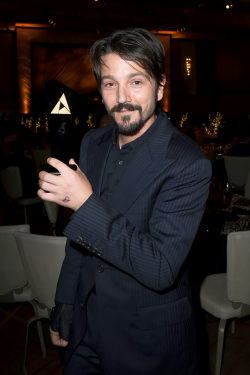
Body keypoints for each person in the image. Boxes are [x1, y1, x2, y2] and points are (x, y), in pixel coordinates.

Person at [38, 28, 212, 375]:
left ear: (160, 86)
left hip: (148, 339)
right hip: (86, 325)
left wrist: (84, 202)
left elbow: (161, 268)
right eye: (109, 83)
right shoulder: (93, 142)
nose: (122, 97)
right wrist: (64, 299)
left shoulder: (188, 163)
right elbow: (79, 237)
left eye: (136, 81)